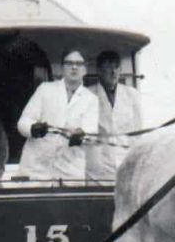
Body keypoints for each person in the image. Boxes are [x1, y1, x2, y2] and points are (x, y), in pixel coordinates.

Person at [16, 48, 98, 182]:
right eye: (69, 63)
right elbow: (23, 122)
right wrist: (33, 128)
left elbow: (92, 133)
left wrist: (81, 135)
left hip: (70, 173)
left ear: (85, 69)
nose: (74, 67)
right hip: (35, 170)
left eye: (79, 63)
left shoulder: (91, 100)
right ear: (62, 68)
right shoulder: (45, 89)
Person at [86, 50, 143, 183]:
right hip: (98, 167)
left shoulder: (132, 94)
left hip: (125, 162)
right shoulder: (87, 95)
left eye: (116, 67)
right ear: (99, 70)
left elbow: (138, 132)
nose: (113, 72)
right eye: (108, 67)